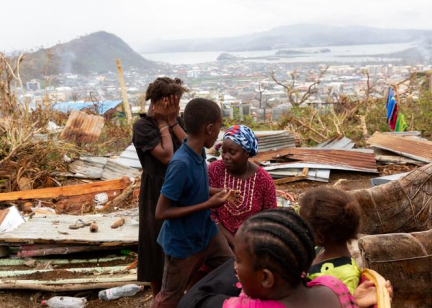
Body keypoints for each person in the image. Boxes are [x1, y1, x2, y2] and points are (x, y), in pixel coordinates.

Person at [178, 209, 393, 308]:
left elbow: (195, 301)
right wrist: (354, 301)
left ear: (266, 278)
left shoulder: (246, 306)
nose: (234, 266)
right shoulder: (333, 286)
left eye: (239, 261)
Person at [151, 98, 235, 307]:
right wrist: (208, 204)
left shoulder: (199, 150)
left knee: (234, 269)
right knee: (169, 297)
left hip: (206, 233)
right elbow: (161, 212)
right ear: (208, 128)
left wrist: (219, 192)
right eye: (218, 127)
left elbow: (193, 189)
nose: (218, 132)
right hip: (182, 243)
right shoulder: (181, 164)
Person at [132, 77, 187, 297]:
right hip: (156, 191)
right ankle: (160, 298)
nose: (176, 108)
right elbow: (167, 156)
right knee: (157, 245)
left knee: (182, 243)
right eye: (171, 103)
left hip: (181, 188)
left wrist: (172, 122)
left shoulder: (177, 121)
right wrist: (164, 124)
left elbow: (192, 148)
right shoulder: (143, 126)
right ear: (157, 103)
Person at [209, 125, 276, 249]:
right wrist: (233, 243)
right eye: (223, 151)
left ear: (246, 153)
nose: (226, 156)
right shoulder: (215, 170)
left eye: (232, 152)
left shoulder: (264, 180)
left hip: (251, 246)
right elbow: (209, 212)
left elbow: (270, 219)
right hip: (216, 242)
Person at [299, 187, 361, 295]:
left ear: (320, 238)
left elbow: (346, 304)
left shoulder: (347, 276)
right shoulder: (317, 250)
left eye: (304, 226)